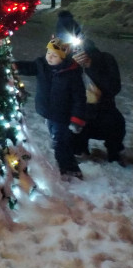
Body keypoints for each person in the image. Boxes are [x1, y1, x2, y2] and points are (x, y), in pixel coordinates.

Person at [56, 10, 126, 164]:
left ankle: (114, 153)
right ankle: (79, 150)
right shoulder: (60, 61)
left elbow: (113, 88)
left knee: (116, 124)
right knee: (70, 133)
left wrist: (90, 66)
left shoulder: (104, 58)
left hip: (102, 111)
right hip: (75, 113)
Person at [15, 37, 88, 180]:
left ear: (63, 57)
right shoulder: (42, 65)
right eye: (48, 53)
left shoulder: (72, 74)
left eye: (54, 55)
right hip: (48, 113)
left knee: (60, 143)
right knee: (60, 141)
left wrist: (77, 120)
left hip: (63, 116)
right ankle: (68, 164)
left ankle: (70, 169)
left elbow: (79, 99)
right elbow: (29, 67)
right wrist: (15, 66)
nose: (49, 57)